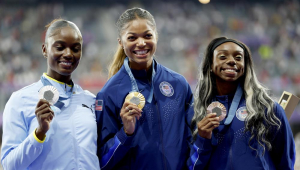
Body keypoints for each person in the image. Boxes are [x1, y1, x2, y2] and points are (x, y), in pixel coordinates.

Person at [96, 7, 194, 170]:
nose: (141, 43)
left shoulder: (178, 84)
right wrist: (125, 134)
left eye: (147, 35)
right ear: (120, 42)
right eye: (132, 37)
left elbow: (194, 141)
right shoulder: (108, 94)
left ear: (156, 36)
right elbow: (102, 161)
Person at [1, 19, 100, 170]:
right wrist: (38, 134)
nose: (68, 54)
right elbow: (9, 165)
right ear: (45, 49)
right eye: (60, 47)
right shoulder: (20, 100)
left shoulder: (91, 100)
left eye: (75, 48)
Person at [188, 37, 296, 170]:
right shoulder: (196, 112)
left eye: (238, 58)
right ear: (210, 64)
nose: (232, 61)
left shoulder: (267, 108)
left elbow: (285, 160)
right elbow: (192, 167)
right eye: (222, 56)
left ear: (246, 66)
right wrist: (203, 140)